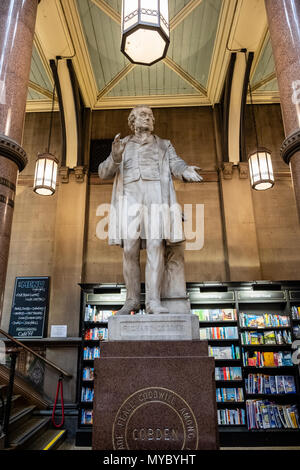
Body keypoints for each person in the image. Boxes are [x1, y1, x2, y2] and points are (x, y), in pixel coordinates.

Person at [98, 105, 202, 315]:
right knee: (129, 249)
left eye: (150, 116)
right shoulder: (122, 144)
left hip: (156, 196)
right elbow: (103, 173)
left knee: (156, 246)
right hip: (130, 198)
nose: (148, 118)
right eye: (143, 115)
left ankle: (153, 302)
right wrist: (115, 157)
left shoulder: (164, 145)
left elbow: (177, 164)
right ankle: (132, 300)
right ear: (132, 121)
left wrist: (185, 170)